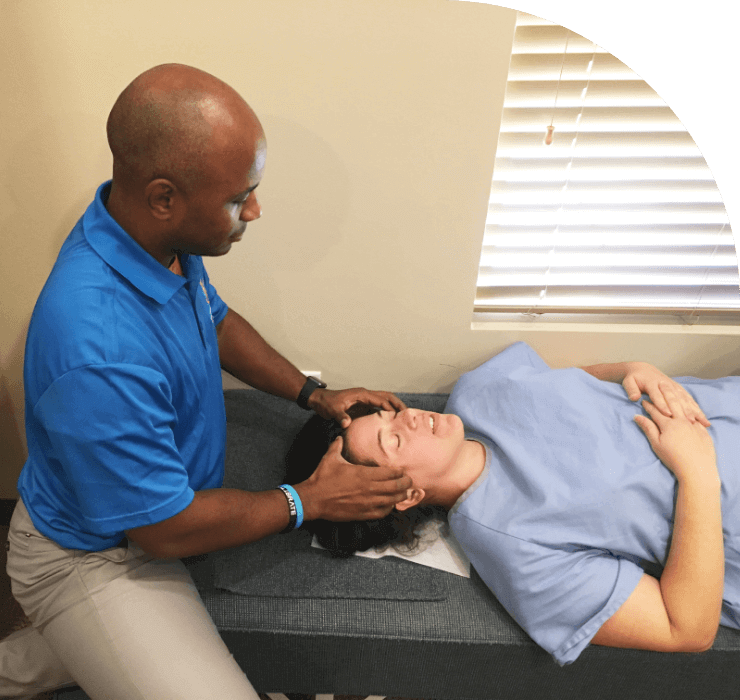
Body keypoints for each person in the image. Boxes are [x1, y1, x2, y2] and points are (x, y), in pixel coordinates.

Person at [1, 64, 411, 700]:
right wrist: (311, 499)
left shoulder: (147, 235)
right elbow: (164, 530)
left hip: (148, 514)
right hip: (95, 558)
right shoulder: (97, 346)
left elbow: (214, 322)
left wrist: (312, 393)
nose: (254, 209)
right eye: (237, 197)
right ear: (165, 197)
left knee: (57, 662)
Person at [285, 341, 739, 666]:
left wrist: (635, 369)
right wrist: (697, 470)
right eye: (395, 439)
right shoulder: (513, 547)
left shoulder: (480, 388)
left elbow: (576, 384)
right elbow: (686, 628)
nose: (407, 415)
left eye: (388, 413)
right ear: (406, 495)